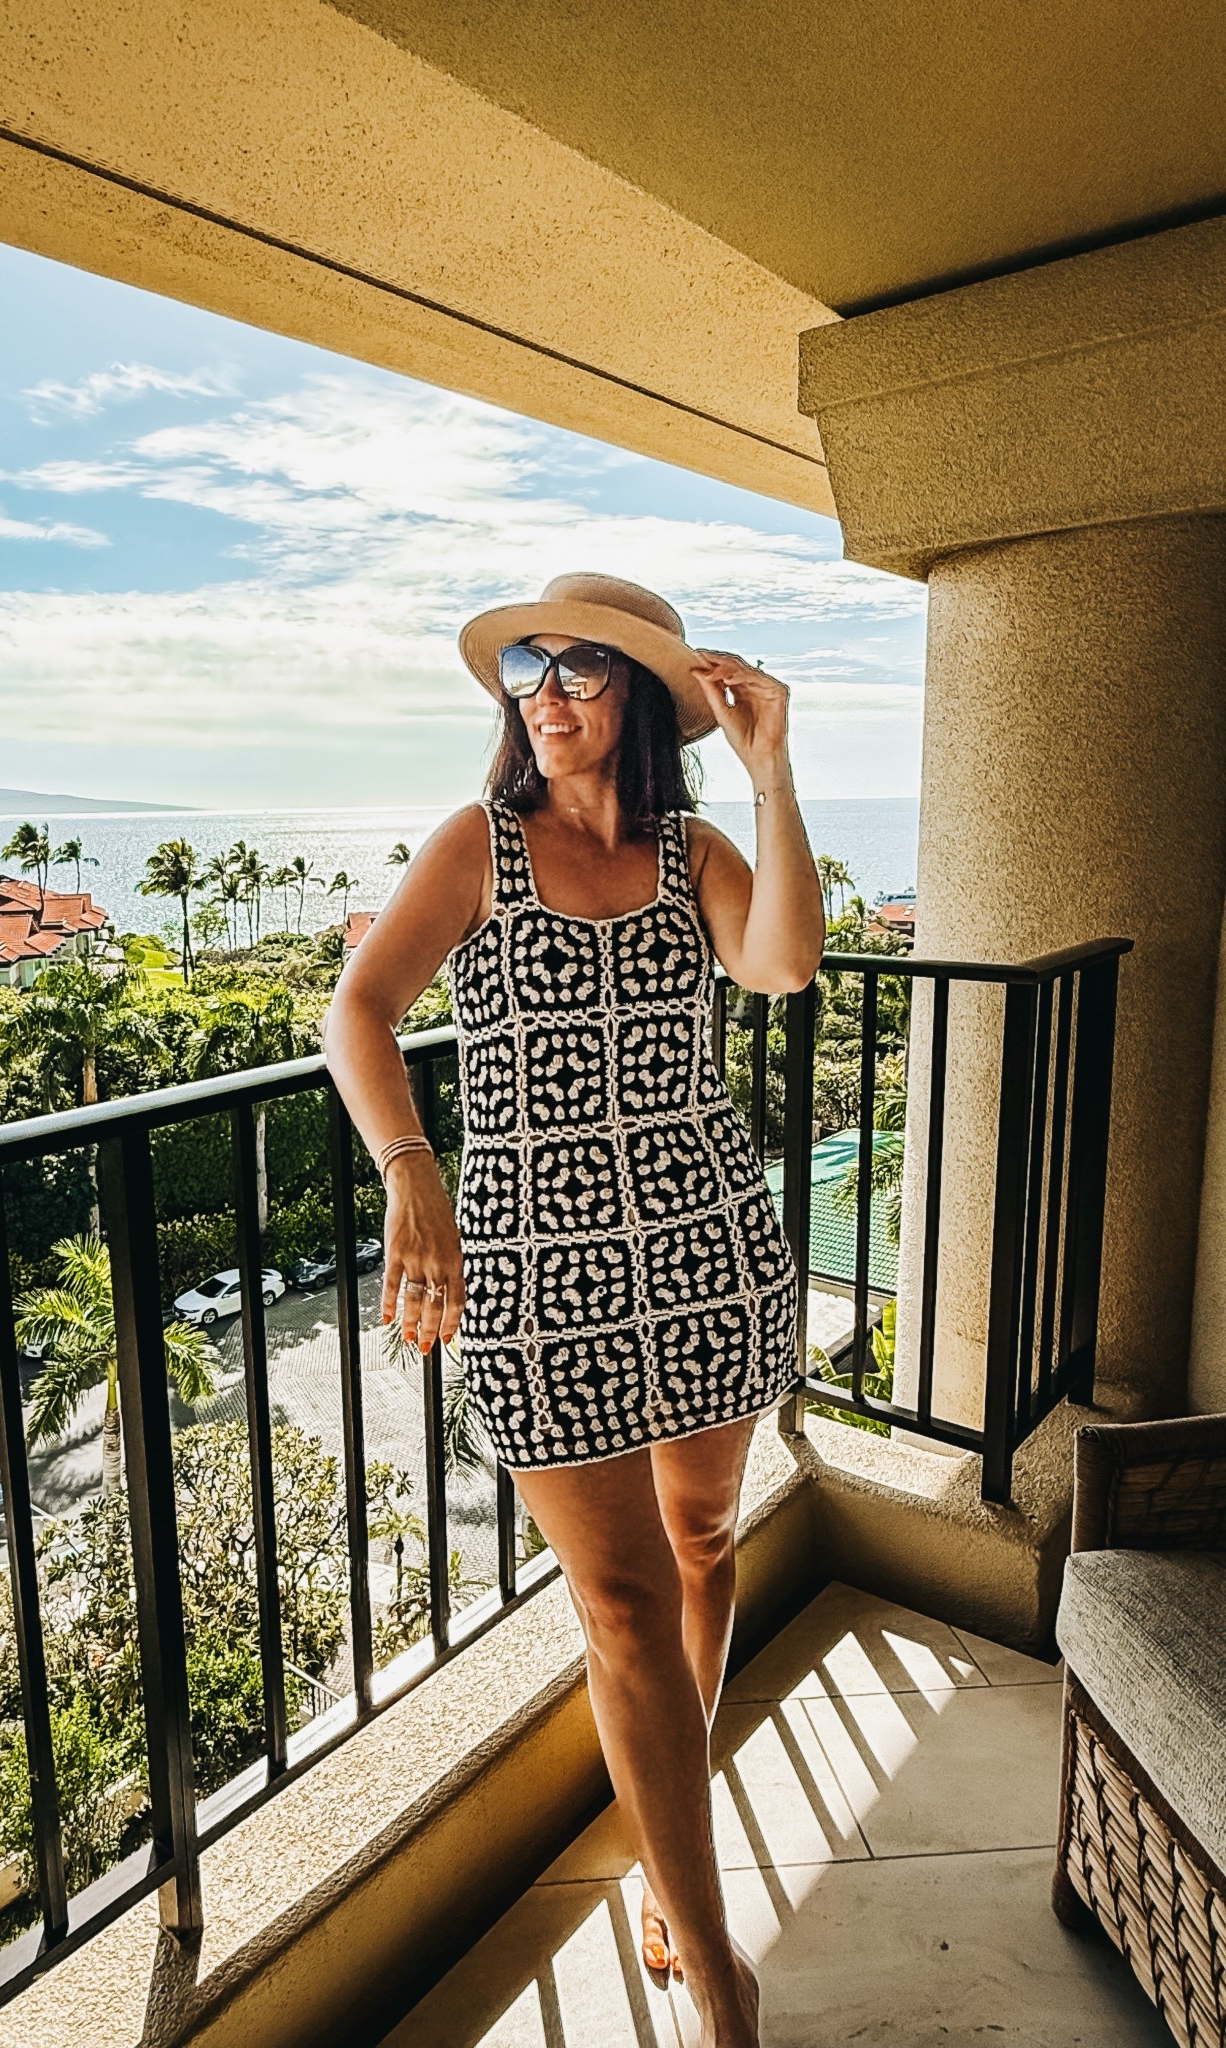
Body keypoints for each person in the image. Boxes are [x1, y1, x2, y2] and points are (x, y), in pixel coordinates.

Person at [323, 571, 824, 2047]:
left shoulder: (698, 850)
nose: (542, 689)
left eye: (577, 668)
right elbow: (360, 1012)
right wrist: (413, 1169)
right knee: (619, 1605)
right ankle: (716, 1958)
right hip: (542, 1276)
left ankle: (670, 1876)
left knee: (705, 1547)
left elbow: (785, 964)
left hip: (707, 1250)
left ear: (645, 702)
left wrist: (777, 768)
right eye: (526, 667)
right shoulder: (480, 845)